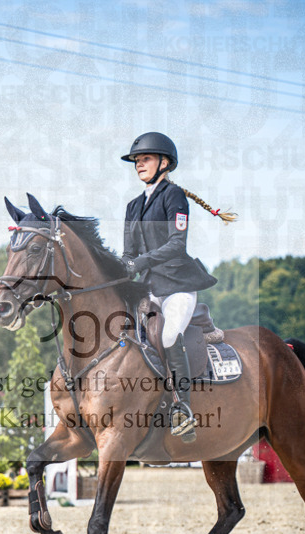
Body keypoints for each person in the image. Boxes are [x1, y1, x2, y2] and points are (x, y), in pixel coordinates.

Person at [120, 132, 235, 442]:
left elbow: (176, 244)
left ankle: (182, 408)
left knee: (169, 334)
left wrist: (138, 263)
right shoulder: (132, 206)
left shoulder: (174, 197)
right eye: (136, 161)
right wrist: (119, 269)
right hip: (147, 290)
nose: (138, 165)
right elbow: (128, 254)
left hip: (177, 286)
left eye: (144, 159)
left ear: (164, 162)